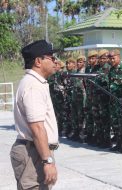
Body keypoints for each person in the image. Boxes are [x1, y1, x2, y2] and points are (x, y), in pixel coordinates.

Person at [10, 40, 59, 190]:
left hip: (38, 150)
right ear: (38, 61)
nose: (55, 61)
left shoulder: (37, 83)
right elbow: (37, 127)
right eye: (51, 57)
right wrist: (48, 161)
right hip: (33, 152)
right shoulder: (33, 86)